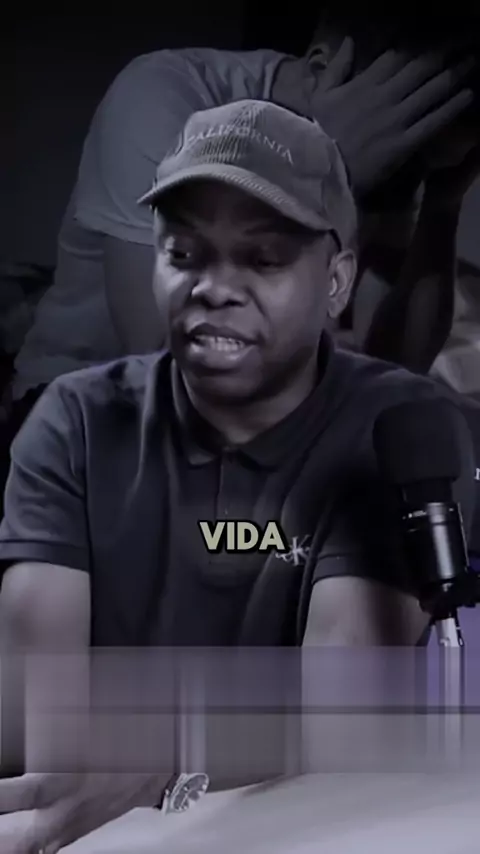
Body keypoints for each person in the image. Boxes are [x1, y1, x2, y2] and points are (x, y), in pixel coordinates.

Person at [0, 99, 476, 852]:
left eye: (263, 259)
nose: (214, 287)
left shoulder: (401, 425)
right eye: (184, 253)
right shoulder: (75, 418)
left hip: (308, 828)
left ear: (337, 281)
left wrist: (165, 758)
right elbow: (38, 702)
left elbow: (339, 702)